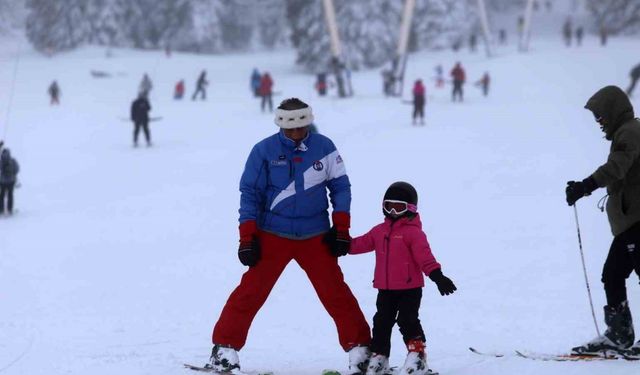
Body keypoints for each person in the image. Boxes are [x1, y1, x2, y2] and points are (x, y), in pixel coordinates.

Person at [208, 98, 371, 373]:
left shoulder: (324, 147)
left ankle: (361, 350)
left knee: (335, 292)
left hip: (315, 234)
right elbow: (250, 194)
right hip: (273, 233)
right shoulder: (263, 151)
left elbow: (341, 187)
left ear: (308, 122)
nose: (297, 134)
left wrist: (341, 228)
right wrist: (247, 238)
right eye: (291, 129)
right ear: (281, 125)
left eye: (302, 127)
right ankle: (224, 350)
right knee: (251, 292)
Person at [349, 182, 457, 375]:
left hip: (410, 289)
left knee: (407, 320)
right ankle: (379, 357)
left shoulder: (413, 233)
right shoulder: (379, 231)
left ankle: (417, 356)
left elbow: (425, 258)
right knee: (381, 322)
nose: (392, 211)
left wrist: (437, 276)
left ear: (410, 208)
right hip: (385, 289)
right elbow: (360, 244)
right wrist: (341, 245)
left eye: (398, 207)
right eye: (388, 205)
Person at [566, 86, 640, 357]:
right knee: (612, 274)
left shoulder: (630, 132)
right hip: (629, 222)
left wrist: (586, 185)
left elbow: (617, 166)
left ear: (612, 111)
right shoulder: (627, 132)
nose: (599, 122)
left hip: (637, 220)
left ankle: (620, 334)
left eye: (601, 116)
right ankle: (619, 334)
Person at [0, 147, 19, 215]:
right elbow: (17, 169)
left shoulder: (1, 161)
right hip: (11, 181)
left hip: (2, 181)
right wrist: (13, 174)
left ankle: (1, 209)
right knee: (10, 195)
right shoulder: (12, 160)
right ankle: (10, 209)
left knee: (2, 195)